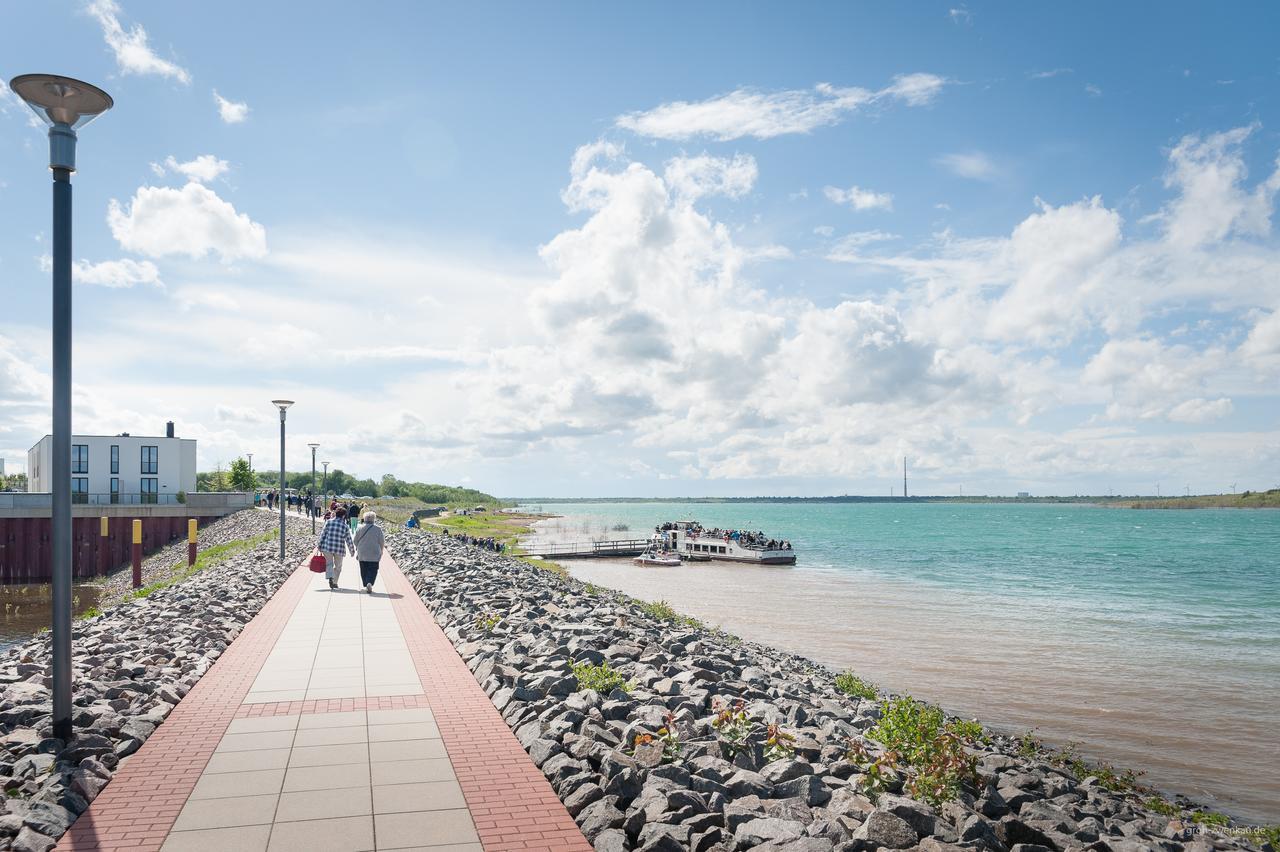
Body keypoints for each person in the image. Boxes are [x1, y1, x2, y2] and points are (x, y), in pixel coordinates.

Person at [317, 507, 355, 590]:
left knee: (329, 564)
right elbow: (348, 539)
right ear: (344, 516)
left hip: (327, 547)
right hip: (339, 549)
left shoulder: (329, 522)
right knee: (338, 566)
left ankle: (330, 576)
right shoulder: (345, 526)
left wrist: (319, 545)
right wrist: (352, 551)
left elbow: (323, 534)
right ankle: (334, 582)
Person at [354, 511, 385, 594]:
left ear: (364, 519)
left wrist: (358, 547)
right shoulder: (378, 529)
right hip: (374, 552)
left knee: (363, 569)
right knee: (373, 569)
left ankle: (366, 582)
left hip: (362, 552)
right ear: (374, 519)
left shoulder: (359, 528)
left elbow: (355, 541)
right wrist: (381, 550)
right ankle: (370, 582)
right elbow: (381, 541)